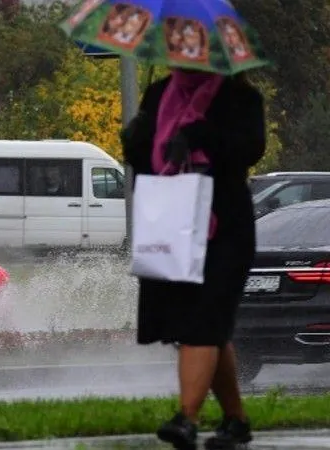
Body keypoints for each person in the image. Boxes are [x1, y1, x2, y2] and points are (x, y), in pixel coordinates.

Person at [119, 68, 266, 450]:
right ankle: (236, 420)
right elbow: (145, 158)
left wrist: (201, 135)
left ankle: (186, 419)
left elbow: (250, 150)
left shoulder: (240, 97)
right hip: (174, 226)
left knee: (203, 324)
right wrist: (136, 141)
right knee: (207, 328)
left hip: (225, 231)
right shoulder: (160, 93)